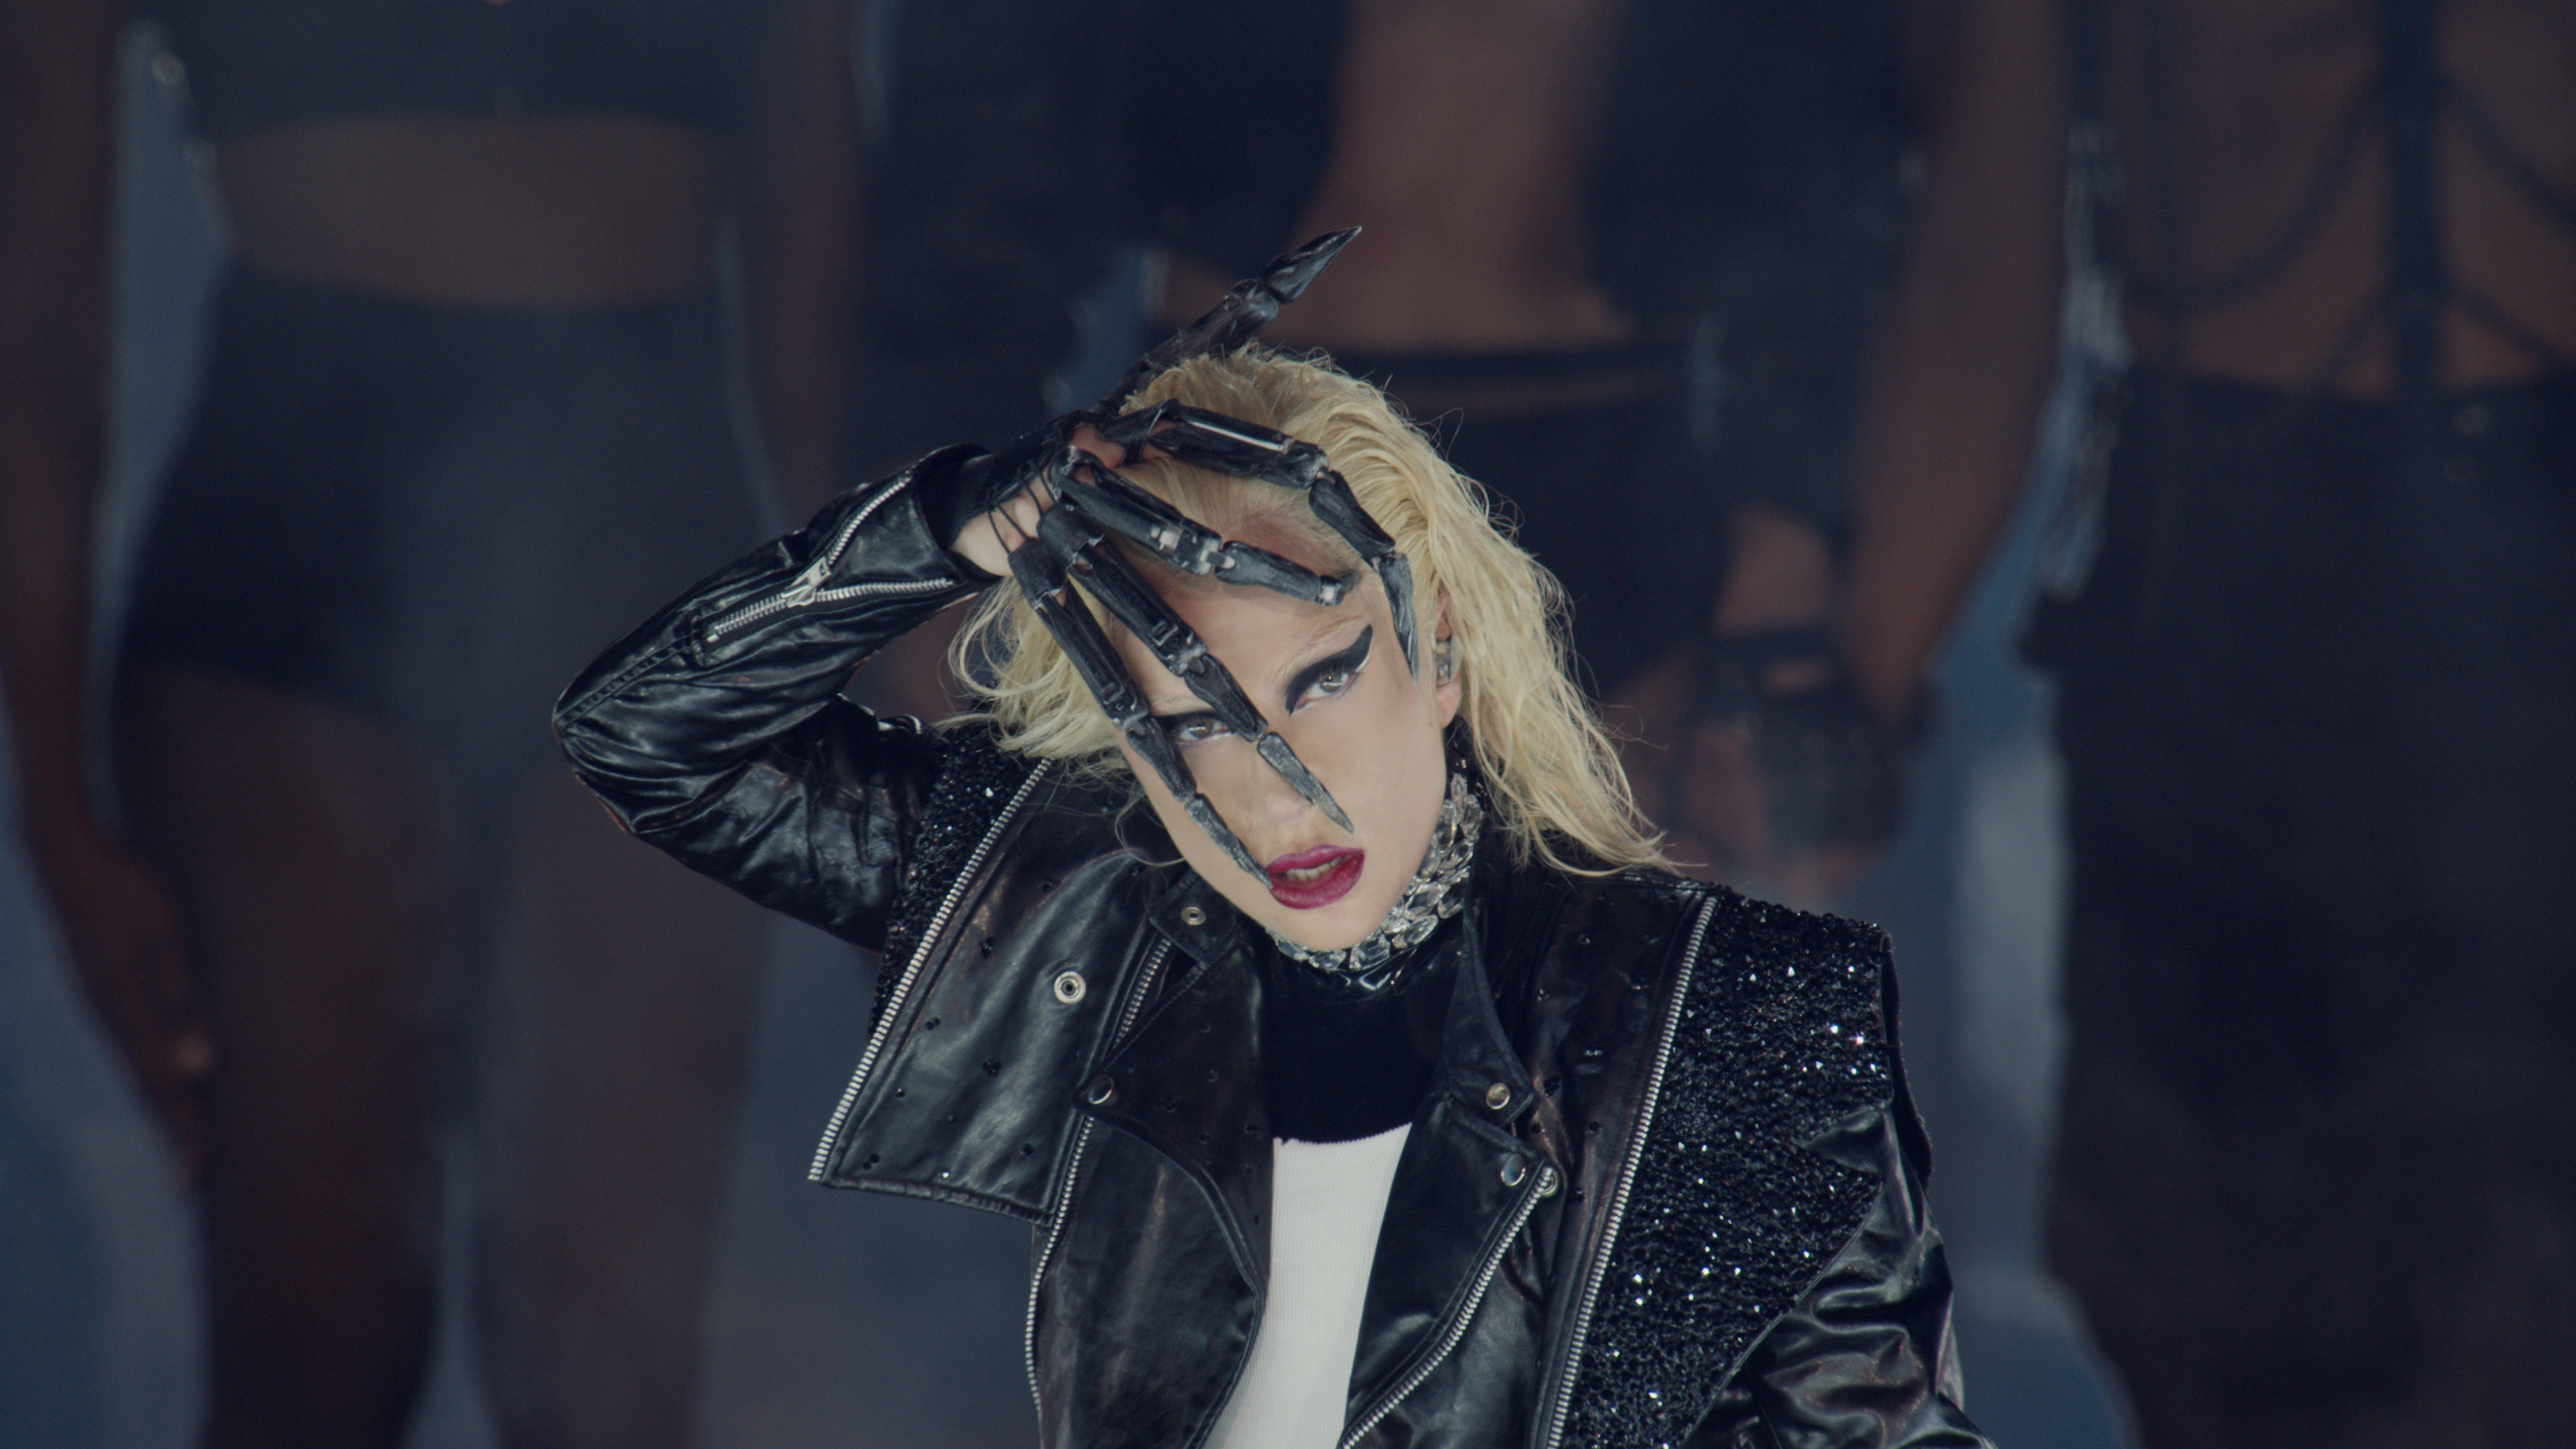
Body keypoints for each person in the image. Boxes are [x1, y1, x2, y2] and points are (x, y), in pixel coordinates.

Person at [555, 248, 1988, 1447]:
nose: (1271, 793)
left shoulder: (1733, 1019)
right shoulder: (1079, 918)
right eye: (1188, 724)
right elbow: (644, 737)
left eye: (1320, 684)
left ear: (1440, 655)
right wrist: (940, 527)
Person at [0, 3, 859, 1444]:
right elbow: (37, 304)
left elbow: (818, 249)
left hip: (642, 530)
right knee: (316, 1350)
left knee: (604, 1363)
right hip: (296, 541)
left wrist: (883, 702)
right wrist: (52, 805)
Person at [1827, 0, 2576, 1441]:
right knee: (2211, 1275)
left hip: (2529, 580)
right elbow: (1985, 241)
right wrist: (1850, 686)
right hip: (2227, 592)